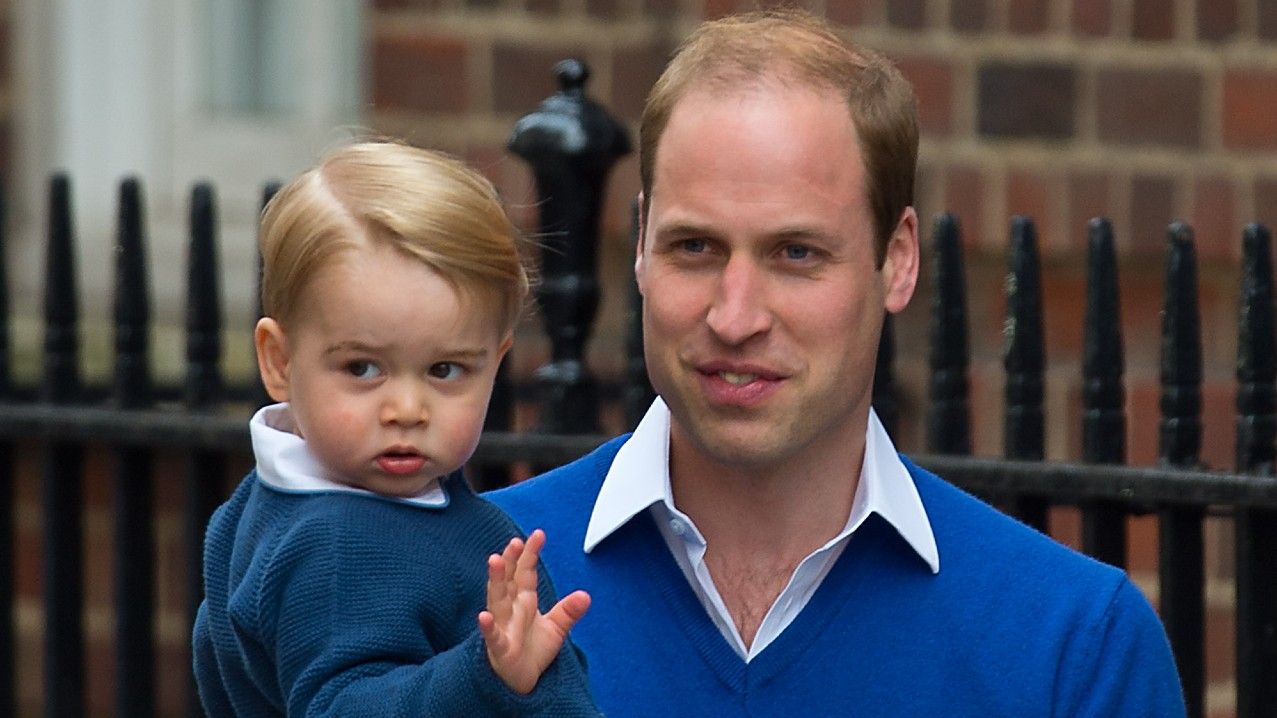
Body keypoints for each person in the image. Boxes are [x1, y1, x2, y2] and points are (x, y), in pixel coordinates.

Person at [488, 9, 1186, 717]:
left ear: (898, 259)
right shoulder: (463, 584)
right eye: (694, 247)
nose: (735, 317)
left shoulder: (1071, 647)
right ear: (640, 244)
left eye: (796, 254)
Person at [192, 141, 600, 716]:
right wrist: (487, 677)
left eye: (445, 369)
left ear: (496, 361)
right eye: (362, 368)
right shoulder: (335, 546)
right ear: (279, 362)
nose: (407, 408)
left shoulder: (275, 508)